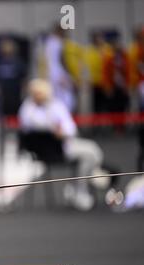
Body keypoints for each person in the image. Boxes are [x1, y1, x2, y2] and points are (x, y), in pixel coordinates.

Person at [18, 79, 104, 211]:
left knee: (93, 150)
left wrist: (61, 132)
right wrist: (53, 129)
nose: (38, 96)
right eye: (35, 93)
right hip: (52, 151)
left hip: (64, 144)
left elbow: (71, 130)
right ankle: (80, 189)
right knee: (90, 155)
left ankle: (78, 185)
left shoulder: (56, 106)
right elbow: (30, 124)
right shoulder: (27, 108)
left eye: (40, 93)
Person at [44, 25, 76, 112]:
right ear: (60, 32)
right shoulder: (59, 42)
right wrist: (68, 73)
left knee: (54, 96)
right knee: (67, 95)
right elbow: (62, 59)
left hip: (50, 73)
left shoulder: (48, 42)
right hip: (59, 72)